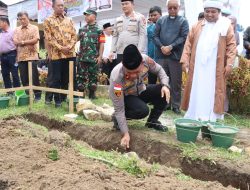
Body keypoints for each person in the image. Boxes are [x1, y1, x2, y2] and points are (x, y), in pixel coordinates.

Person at [181, 0, 237, 121]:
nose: (210, 14)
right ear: (204, 11)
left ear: (219, 12)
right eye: (207, 11)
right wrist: (185, 60)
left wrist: (230, 64)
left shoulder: (226, 26)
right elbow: (188, 44)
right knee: (197, 88)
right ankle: (195, 115)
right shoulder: (196, 25)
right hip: (197, 67)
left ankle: (212, 117)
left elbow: (232, 46)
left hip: (216, 68)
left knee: (213, 91)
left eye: (213, 12)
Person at [109, 44, 170, 149]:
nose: (133, 76)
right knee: (142, 111)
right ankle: (116, 120)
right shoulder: (116, 78)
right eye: (129, 73)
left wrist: (165, 85)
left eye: (137, 72)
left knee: (164, 90)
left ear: (142, 63)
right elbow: (119, 109)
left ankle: (152, 122)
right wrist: (125, 134)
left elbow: (160, 70)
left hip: (141, 90)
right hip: (127, 97)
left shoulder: (146, 60)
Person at [154, 0, 189, 114]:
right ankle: (165, 103)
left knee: (176, 82)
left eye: (175, 8)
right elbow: (155, 36)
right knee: (163, 81)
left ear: (179, 8)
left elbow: (184, 37)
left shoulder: (183, 21)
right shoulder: (161, 20)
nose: (172, 10)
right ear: (167, 8)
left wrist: (171, 47)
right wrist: (162, 47)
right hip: (161, 55)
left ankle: (175, 105)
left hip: (175, 56)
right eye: (170, 8)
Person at [44, 0, 77, 107]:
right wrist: (61, 48)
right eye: (58, 5)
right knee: (56, 78)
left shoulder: (69, 20)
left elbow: (74, 36)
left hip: (70, 54)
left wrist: (70, 46)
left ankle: (64, 98)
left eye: (62, 5)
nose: (61, 7)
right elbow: (49, 38)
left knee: (67, 78)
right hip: (56, 55)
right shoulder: (48, 21)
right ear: (53, 7)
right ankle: (57, 100)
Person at [76, 9, 105, 99]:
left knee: (93, 77)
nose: (86, 17)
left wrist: (100, 56)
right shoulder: (81, 29)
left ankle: (92, 94)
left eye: (88, 15)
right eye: (85, 15)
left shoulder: (100, 30)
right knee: (81, 77)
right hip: (82, 58)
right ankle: (81, 95)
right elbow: (75, 40)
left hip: (94, 58)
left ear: (94, 16)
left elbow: (102, 44)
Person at [13, 12, 41, 101]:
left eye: (24, 18)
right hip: (21, 57)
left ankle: (37, 95)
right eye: (20, 19)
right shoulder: (17, 30)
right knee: (24, 78)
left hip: (32, 56)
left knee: (34, 77)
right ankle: (28, 95)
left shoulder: (34, 28)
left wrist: (22, 42)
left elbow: (35, 40)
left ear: (28, 18)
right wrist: (27, 42)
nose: (22, 21)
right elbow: (15, 41)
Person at [109, 0, 147, 64]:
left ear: (132, 5)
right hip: (120, 52)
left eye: (126, 4)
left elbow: (142, 35)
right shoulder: (118, 19)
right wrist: (112, 51)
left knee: (133, 72)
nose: (124, 6)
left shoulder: (140, 17)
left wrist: (140, 51)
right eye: (122, 4)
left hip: (134, 51)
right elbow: (115, 36)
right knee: (121, 72)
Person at [0, 16, 20, 91]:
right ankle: (9, 92)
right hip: (3, 56)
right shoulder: (1, 33)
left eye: (0, 22)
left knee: (14, 74)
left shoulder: (13, 32)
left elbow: (17, 45)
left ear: (5, 22)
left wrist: (17, 56)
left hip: (12, 55)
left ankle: (18, 92)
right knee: (5, 74)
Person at [147, 6, 162, 84]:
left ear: (160, 15)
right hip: (151, 58)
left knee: (163, 80)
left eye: (155, 15)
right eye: (151, 15)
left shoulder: (165, 27)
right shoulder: (149, 28)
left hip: (162, 58)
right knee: (151, 81)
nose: (152, 17)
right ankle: (151, 96)